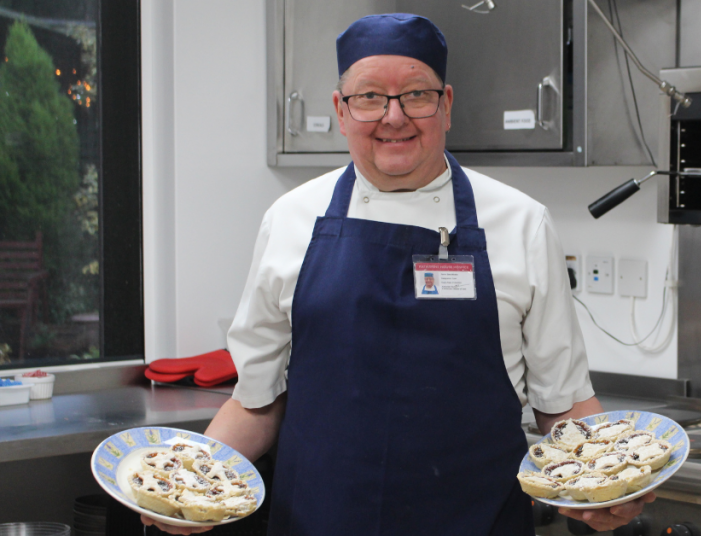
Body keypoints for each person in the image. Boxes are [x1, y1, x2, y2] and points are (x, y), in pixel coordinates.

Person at [143, 13, 653, 535]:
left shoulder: (521, 223)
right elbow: (255, 403)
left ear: (446, 105)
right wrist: (188, 484)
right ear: (341, 111)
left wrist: (611, 487)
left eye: (416, 94)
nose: (394, 117)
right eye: (369, 97)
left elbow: (563, 404)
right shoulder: (291, 220)